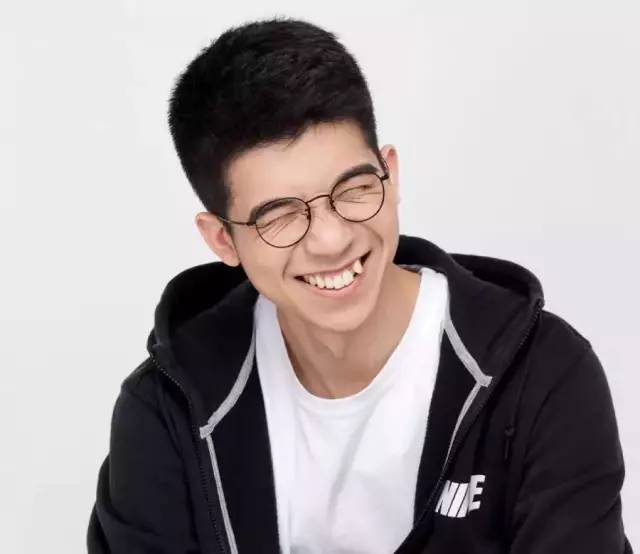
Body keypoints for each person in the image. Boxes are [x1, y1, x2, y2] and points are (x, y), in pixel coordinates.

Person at [87, 17, 632, 554]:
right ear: (222, 239)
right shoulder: (167, 411)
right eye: (280, 216)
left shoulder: (543, 375)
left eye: (353, 189)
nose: (331, 240)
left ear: (390, 174)